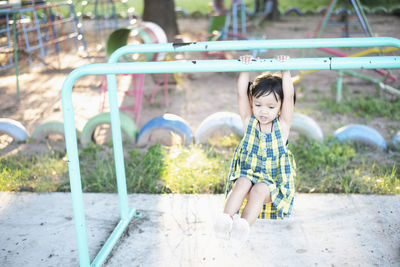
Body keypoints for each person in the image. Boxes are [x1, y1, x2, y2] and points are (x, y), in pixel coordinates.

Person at [214, 54, 296, 251]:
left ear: (279, 108)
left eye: (270, 107)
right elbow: (242, 94)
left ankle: (241, 230)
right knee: (242, 182)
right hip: (249, 175)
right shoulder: (248, 121)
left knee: (259, 190)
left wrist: (286, 70)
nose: (263, 111)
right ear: (252, 104)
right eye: (258, 105)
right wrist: (245, 68)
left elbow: (289, 96)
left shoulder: (282, 125)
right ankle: (224, 221)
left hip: (272, 182)